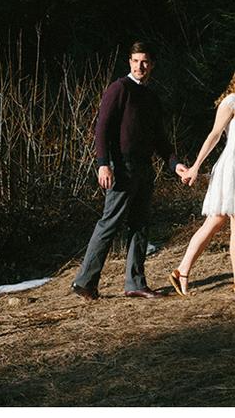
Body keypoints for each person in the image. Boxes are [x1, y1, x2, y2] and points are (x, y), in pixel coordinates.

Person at [72, 42, 189, 300]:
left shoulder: (151, 97)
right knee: (110, 222)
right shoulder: (119, 88)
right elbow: (102, 127)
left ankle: (135, 283)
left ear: (152, 65)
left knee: (140, 225)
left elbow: (159, 138)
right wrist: (103, 163)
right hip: (121, 167)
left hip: (144, 167)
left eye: (145, 61)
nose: (140, 66)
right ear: (129, 62)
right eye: (135, 61)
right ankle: (85, 281)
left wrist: (174, 164)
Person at [169, 57, 235, 295]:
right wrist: (195, 167)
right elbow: (214, 135)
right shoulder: (231, 101)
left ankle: (181, 271)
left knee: (216, 222)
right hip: (231, 168)